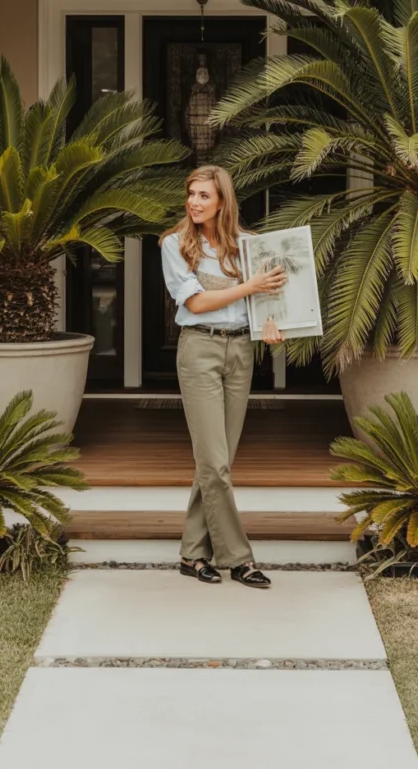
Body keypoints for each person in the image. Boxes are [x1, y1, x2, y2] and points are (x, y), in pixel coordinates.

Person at [159, 164, 287, 589]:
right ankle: (239, 559)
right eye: (191, 194)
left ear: (222, 202)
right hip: (199, 349)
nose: (194, 202)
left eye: (203, 196)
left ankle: (193, 555)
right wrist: (250, 288)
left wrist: (273, 324)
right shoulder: (175, 244)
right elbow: (195, 304)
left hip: (242, 350)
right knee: (214, 462)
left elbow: (272, 299)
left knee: (217, 462)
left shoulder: (249, 246)